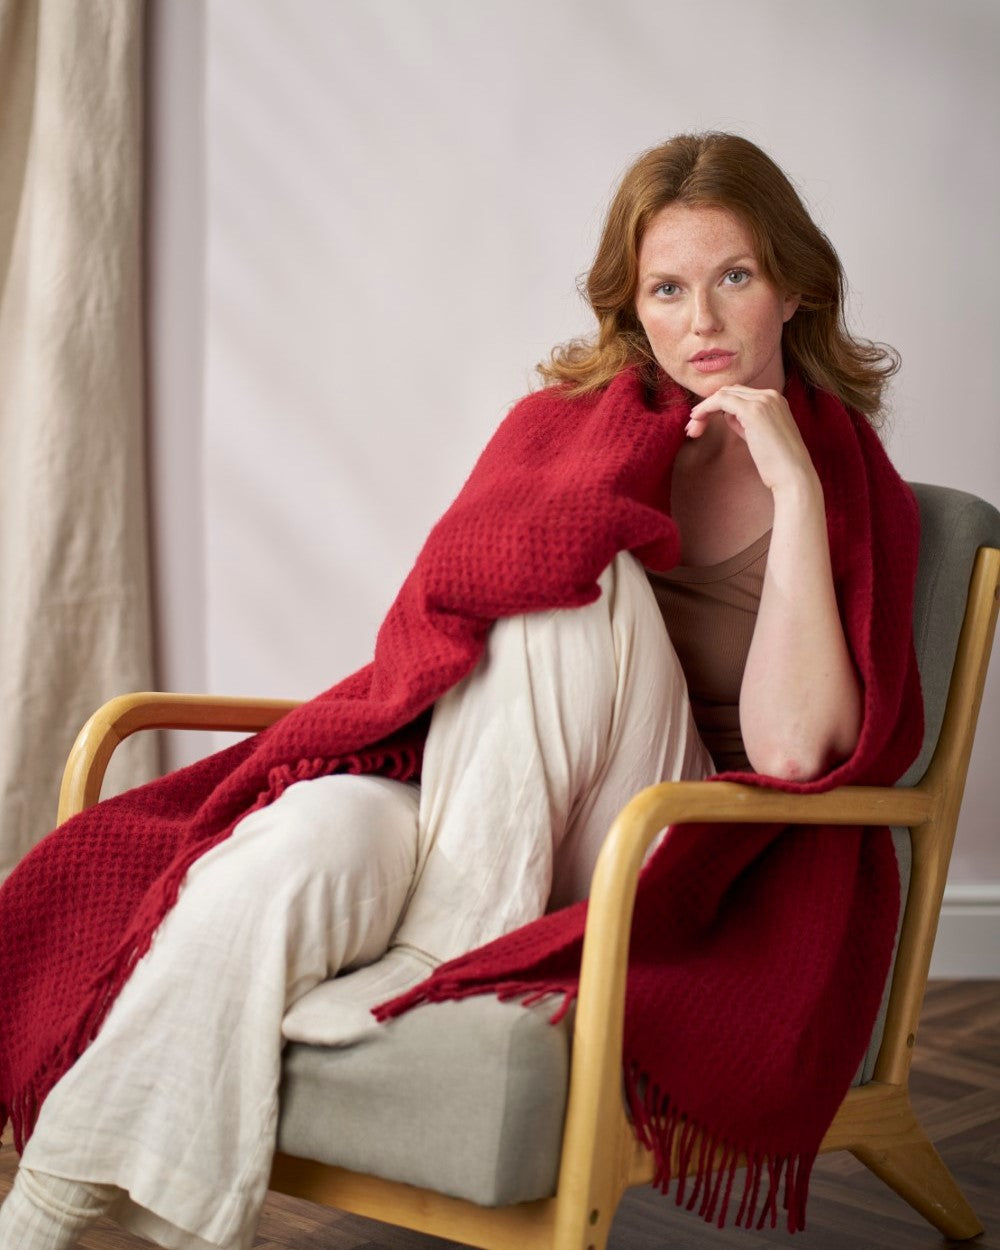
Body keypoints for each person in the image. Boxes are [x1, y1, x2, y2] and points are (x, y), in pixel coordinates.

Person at [0, 131, 913, 1248]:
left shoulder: (842, 480)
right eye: (668, 288)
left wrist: (792, 484)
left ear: (793, 287)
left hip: (665, 839)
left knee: (583, 577)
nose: (704, 321)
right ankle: (65, 1211)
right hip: (482, 788)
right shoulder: (559, 433)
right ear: (634, 307)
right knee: (288, 848)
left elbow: (788, 754)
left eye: (734, 277)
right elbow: (434, 632)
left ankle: (441, 955)